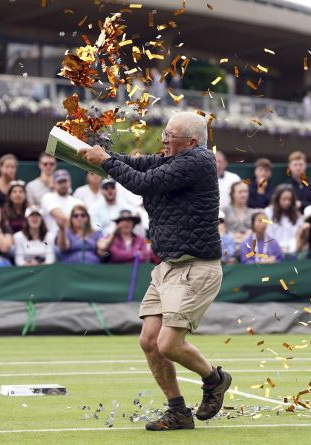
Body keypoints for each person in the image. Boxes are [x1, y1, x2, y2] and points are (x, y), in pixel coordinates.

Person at [79, 111, 230, 431]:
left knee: (168, 345)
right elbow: (137, 165)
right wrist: (99, 155)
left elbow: (140, 182)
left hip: (195, 268)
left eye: (170, 135)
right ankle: (177, 411)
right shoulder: (172, 159)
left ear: (190, 142)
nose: (163, 138)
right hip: (169, 266)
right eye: (165, 133)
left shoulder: (198, 161)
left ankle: (215, 380)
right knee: (149, 341)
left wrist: (105, 161)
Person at [40, 169, 83, 237]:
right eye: (60, 182)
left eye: (65, 181)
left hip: (75, 239)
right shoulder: (47, 197)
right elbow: (62, 219)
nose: (63, 184)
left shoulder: (78, 201)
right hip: (53, 240)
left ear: (70, 182)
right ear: (54, 183)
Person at [264, 184, 302, 258]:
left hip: (292, 252)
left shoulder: (297, 214)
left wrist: (289, 247)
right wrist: (279, 247)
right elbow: (267, 234)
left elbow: (297, 235)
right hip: (273, 252)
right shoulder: (268, 212)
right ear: (277, 199)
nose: (287, 202)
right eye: (284, 199)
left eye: (289, 200)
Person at [223, 181, 255, 245]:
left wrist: (251, 233)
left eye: (246, 192)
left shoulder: (253, 212)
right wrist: (232, 235)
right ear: (232, 194)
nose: (244, 195)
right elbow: (221, 232)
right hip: (229, 247)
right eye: (240, 192)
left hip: (249, 247)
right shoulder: (224, 211)